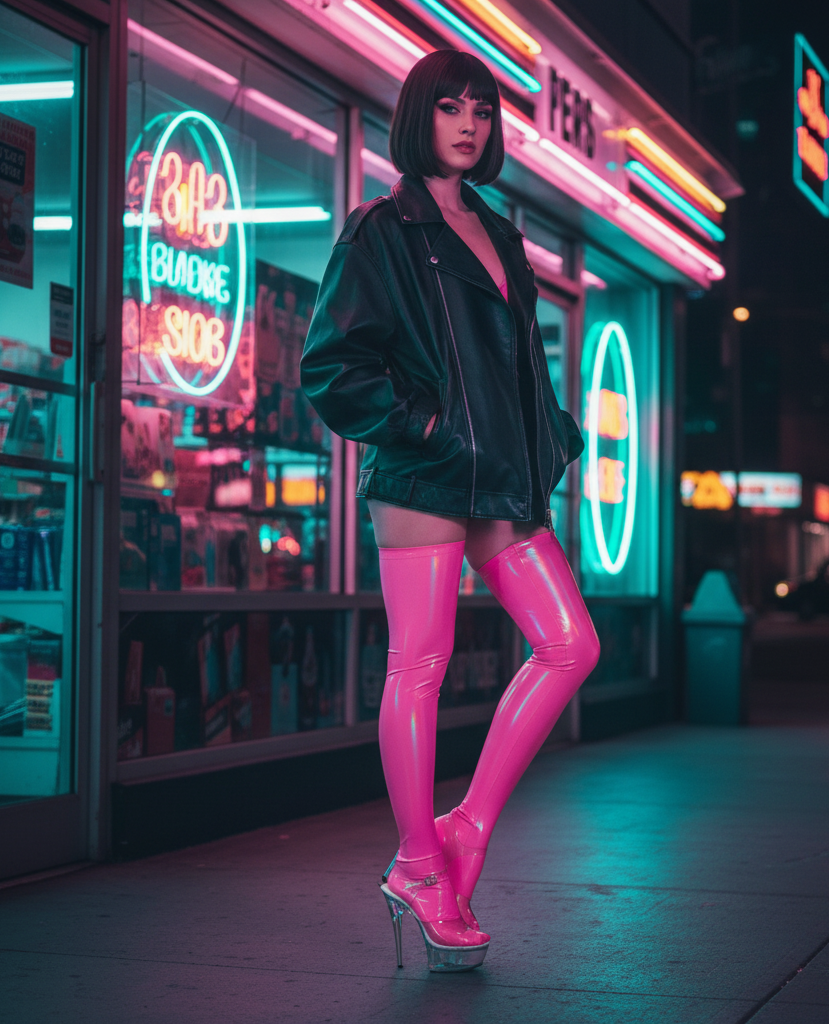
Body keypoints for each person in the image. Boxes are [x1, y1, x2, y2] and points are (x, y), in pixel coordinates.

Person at [301, 50, 600, 972]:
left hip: (502, 480)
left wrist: (550, 433)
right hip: (427, 477)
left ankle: (465, 825)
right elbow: (331, 370)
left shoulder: (502, 235)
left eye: (482, 108)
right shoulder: (383, 228)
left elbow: (515, 362)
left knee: (571, 644)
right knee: (418, 669)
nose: (468, 123)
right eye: (449, 107)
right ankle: (420, 866)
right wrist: (428, 426)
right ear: (418, 117)